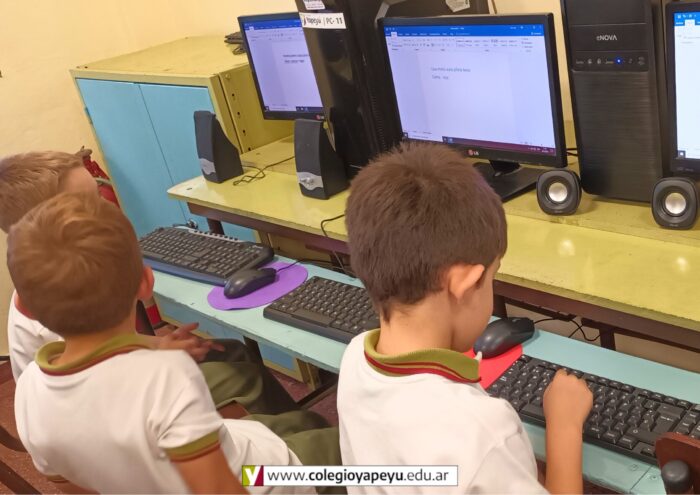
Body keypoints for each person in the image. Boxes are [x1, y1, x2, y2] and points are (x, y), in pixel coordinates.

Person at [9, 192, 340, 493]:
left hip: (231, 450)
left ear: (27, 306)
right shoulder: (165, 377)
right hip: (265, 476)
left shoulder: (28, 390)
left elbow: (69, 485)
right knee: (348, 453)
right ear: (146, 283)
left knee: (300, 423)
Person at [337, 143, 593, 494]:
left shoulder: (354, 357)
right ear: (467, 284)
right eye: (491, 277)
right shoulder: (484, 433)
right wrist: (565, 426)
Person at [0, 150, 301, 419]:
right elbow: (116, 394)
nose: (108, 206)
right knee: (243, 379)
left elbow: (111, 351)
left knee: (232, 351)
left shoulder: (49, 282)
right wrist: (162, 358)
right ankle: (294, 441)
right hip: (120, 413)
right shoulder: (56, 324)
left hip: (117, 383)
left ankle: (285, 429)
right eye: (90, 202)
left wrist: (156, 345)